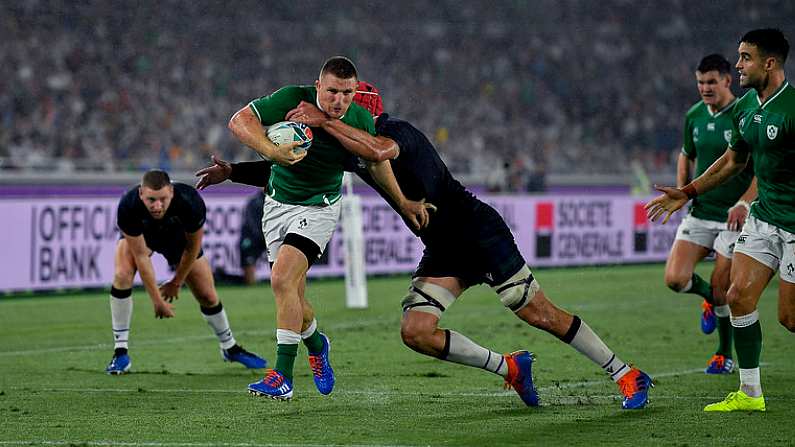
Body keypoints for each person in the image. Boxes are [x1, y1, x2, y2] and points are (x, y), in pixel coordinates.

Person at [198, 82, 654, 409]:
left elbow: (377, 149)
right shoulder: (350, 148)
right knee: (415, 331)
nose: (341, 109)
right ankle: (510, 368)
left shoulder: (398, 133)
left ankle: (626, 373)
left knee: (539, 313)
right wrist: (235, 173)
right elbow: (293, 168)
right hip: (443, 248)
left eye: (351, 103)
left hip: (478, 233)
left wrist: (323, 121)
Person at [226, 56, 428, 400]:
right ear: (318, 86)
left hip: (319, 208)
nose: (340, 101)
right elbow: (239, 121)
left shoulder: (360, 119)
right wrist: (271, 151)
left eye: (347, 94)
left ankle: (282, 377)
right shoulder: (290, 99)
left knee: (281, 279)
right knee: (295, 299)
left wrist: (403, 201)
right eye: (333, 91)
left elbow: (377, 164)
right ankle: (318, 346)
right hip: (276, 205)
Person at [646, 28, 793, 412]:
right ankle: (750, 394)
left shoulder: (792, 107)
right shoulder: (746, 108)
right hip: (762, 219)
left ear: (770, 63)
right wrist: (689, 191)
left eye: (746, 58)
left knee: (790, 318)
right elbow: (733, 161)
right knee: (737, 297)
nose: (739, 65)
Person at [106, 169, 267, 374]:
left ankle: (230, 347)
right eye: (151, 200)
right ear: (141, 194)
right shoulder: (129, 205)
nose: (157, 206)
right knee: (121, 275)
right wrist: (157, 300)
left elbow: (191, 249)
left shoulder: (189, 201)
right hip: (144, 240)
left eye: (163, 199)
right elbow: (141, 257)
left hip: (178, 241)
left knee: (208, 296)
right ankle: (120, 353)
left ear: (171, 192)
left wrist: (176, 282)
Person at [664, 54, 756, 375]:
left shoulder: (745, 114)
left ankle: (722, 353)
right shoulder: (693, 115)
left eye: (711, 82)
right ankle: (708, 298)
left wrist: (744, 202)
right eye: (701, 82)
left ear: (727, 81)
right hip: (701, 212)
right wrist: (681, 191)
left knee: (721, 284)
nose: (705, 88)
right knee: (675, 280)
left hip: (733, 218)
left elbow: (761, 168)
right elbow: (685, 154)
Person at [239, 191, 267, 285]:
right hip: (253, 237)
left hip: (270, 235)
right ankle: (251, 282)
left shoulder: (278, 200)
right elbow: (252, 224)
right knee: (248, 250)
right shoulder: (255, 202)